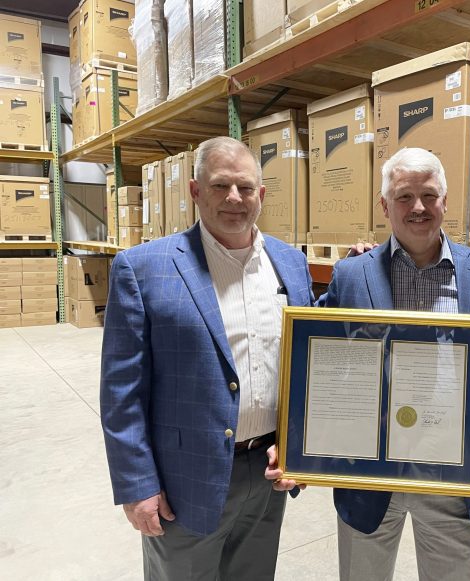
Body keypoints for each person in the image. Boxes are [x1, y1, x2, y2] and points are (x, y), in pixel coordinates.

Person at [267, 147, 470, 580]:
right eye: (404, 196)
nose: (418, 207)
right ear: (385, 205)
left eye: (429, 195)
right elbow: (315, 354)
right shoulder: (352, 274)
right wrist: (296, 445)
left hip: (451, 471)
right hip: (368, 472)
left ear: (445, 201)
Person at [100, 136, 314, 580]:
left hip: (268, 472)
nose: (234, 197)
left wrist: (301, 447)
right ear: (196, 191)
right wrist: (137, 485)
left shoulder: (290, 264)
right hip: (184, 480)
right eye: (220, 185)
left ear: (261, 194)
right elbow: (122, 392)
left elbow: (307, 364)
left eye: (246, 187)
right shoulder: (143, 268)